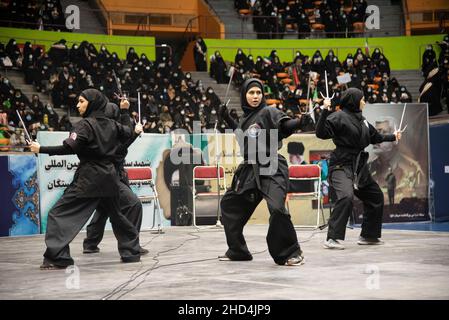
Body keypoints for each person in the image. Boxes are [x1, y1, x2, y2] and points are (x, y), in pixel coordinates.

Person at [29, 89, 144, 269]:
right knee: (118, 215)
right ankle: (131, 252)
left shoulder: (85, 125)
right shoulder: (113, 126)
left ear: (92, 103)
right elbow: (128, 133)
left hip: (90, 177)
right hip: (110, 178)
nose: (77, 105)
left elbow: (70, 148)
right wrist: (125, 112)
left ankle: (57, 257)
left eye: (81, 101)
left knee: (58, 214)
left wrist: (41, 149)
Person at [218, 78, 306, 266]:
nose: (256, 96)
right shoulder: (245, 119)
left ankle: (291, 252)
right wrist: (227, 118)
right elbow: (242, 135)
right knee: (228, 205)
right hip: (249, 169)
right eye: (252, 93)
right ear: (244, 95)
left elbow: (284, 126)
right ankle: (237, 250)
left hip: (271, 166)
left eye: (259, 93)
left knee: (277, 209)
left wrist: (298, 122)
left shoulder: (269, 111)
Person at [315, 88, 402, 250]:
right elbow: (321, 133)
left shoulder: (363, 121)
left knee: (375, 196)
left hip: (358, 166)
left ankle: (369, 235)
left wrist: (393, 136)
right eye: (362, 99)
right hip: (341, 164)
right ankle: (332, 238)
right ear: (354, 100)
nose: (364, 102)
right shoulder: (338, 116)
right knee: (346, 197)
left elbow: (376, 137)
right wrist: (325, 110)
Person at [82, 100, 148, 255]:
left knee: (104, 207)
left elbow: (124, 133)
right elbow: (120, 147)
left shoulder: (102, 128)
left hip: (104, 176)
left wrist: (125, 112)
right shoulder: (108, 131)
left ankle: (90, 243)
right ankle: (132, 244)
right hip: (109, 176)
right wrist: (134, 132)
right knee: (134, 205)